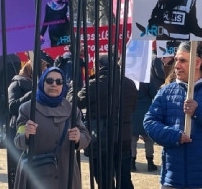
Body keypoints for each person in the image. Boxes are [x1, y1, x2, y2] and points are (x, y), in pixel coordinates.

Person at [143, 41, 202, 189]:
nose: (176, 65)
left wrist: (199, 112)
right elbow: (149, 122)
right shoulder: (166, 91)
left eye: (182, 60)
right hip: (172, 178)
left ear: (197, 62)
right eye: (176, 60)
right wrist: (175, 135)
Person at [13, 66, 91, 189]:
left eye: (59, 81)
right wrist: (26, 135)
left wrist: (78, 137)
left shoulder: (72, 109)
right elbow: (18, 141)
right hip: (36, 173)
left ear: (63, 86)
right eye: (49, 80)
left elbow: (85, 136)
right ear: (42, 83)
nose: (54, 84)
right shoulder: (27, 108)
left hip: (66, 173)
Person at [74, 53, 137, 189]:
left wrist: (73, 89)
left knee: (104, 180)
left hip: (101, 139)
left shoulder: (95, 83)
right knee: (124, 178)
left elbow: (75, 103)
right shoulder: (129, 83)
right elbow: (133, 107)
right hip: (123, 137)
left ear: (100, 66)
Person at [131, 45, 165, 172]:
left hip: (132, 111)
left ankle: (132, 162)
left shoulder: (128, 78)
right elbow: (154, 94)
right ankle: (150, 163)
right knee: (148, 138)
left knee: (132, 138)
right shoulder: (147, 79)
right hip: (146, 110)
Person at [7, 60, 33, 187]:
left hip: (35, 130)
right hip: (18, 128)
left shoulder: (43, 86)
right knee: (18, 166)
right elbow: (12, 107)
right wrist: (31, 94)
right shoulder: (16, 84)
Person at [0, 53, 22, 149]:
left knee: (2, 117)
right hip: (13, 88)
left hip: (3, 90)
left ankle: (2, 140)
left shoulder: (1, 58)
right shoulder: (17, 57)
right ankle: (9, 139)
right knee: (11, 117)